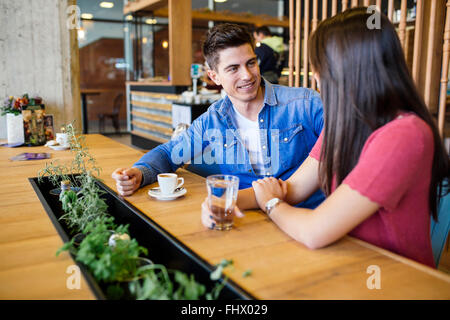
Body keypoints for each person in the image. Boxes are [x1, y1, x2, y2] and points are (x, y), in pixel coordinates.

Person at [202, 9, 450, 268]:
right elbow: (293, 189)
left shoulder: (404, 135)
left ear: (349, 68)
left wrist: (272, 203)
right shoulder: (347, 123)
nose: (315, 77)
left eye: (320, 67)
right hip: (343, 262)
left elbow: (314, 231)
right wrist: (223, 201)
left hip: (392, 280)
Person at [112, 23, 325, 209]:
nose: (247, 75)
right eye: (233, 68)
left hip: (305, 215)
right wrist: (139, 172)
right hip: (244, 216)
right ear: (214, 76)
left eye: (251, 63)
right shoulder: (213, 119)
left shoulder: (305, 104)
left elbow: (350, 148)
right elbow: (170, 153)